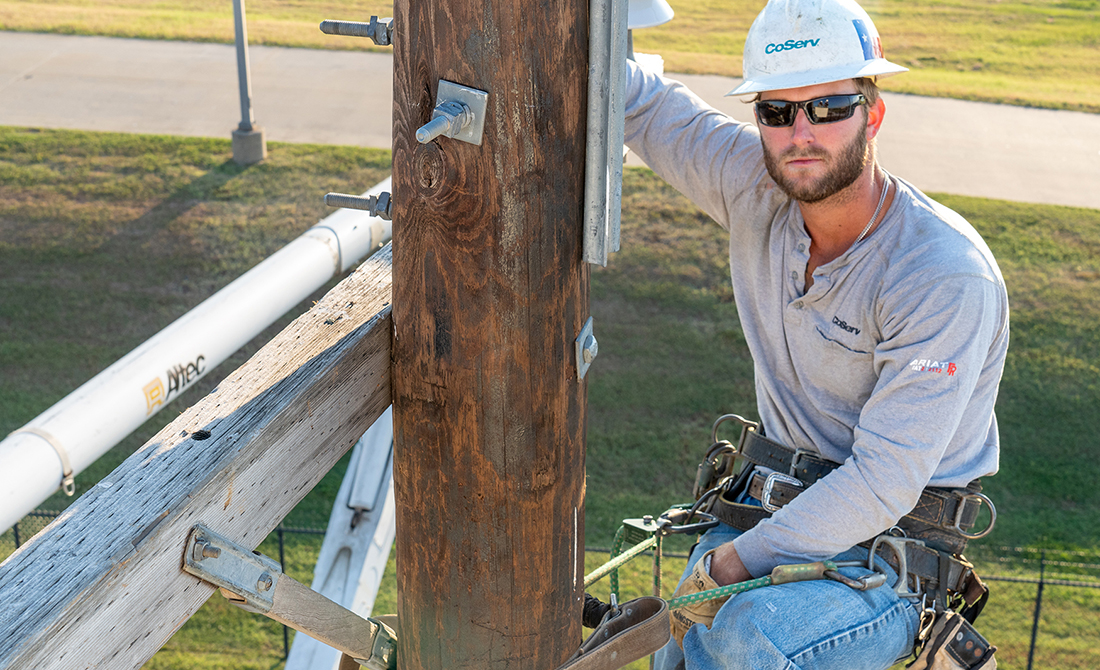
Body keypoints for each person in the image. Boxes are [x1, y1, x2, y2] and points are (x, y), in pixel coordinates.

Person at [622, 0, 1009, 668]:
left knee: (748, 637)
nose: (802, 132)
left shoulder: (939, 275)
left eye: (829, 107)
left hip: (887, 558)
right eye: (777, 112)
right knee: (685, 650)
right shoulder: (754, 187)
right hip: (766, 511)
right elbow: (645, 107)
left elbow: (884, 480)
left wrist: (728, 565)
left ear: (873, 113)